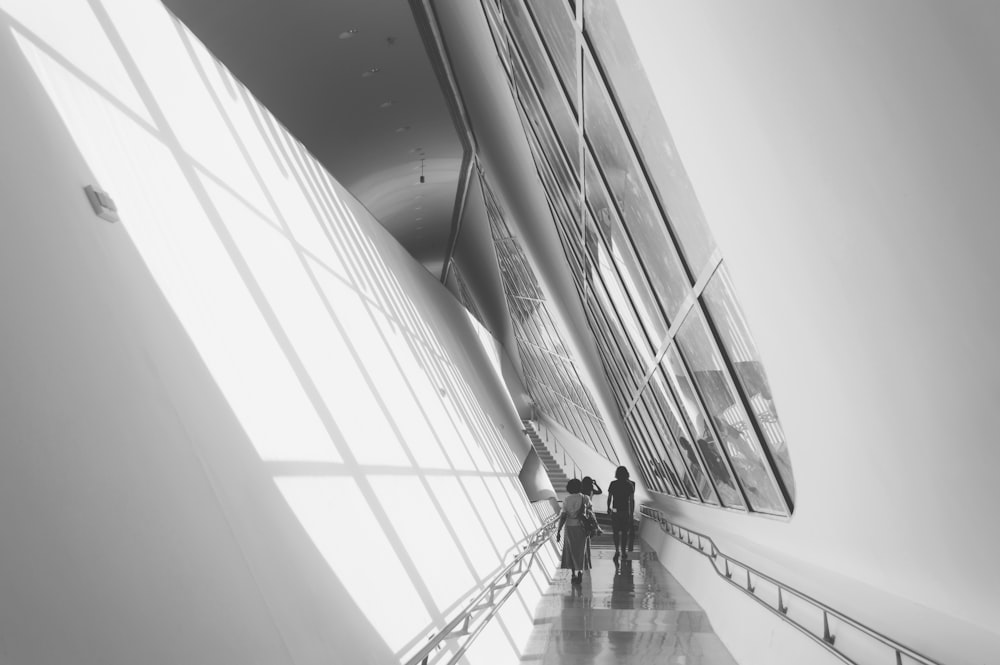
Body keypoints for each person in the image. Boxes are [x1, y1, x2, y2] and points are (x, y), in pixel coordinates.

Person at [556, 478, 592, 585]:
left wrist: (559, 530)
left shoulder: (567, 499)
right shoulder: (585, 498)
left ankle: (573, 574)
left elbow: (563, 516)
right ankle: (580, 571)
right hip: (581, 527)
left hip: (570, 527)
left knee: (570, 550)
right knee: (581, 550)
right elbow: (590, 513)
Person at [606, 466, 635, 559]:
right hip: (625, 511)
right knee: (624, 532)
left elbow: (609, 497)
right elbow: (631, 500)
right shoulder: (629, 485)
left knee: (615, 532)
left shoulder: (613, 484)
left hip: (615, 510)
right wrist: (631, 513)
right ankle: (623, 551)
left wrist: (608, 508)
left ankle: (617, 550)